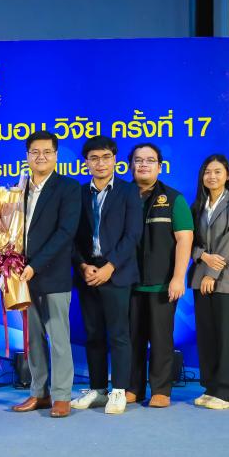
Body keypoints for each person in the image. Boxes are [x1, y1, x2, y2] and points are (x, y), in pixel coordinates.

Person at [10, 131, 82, 418]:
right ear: (27, 156)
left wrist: (35, 265)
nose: (41, 157)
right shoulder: (19, 189)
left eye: (47, 152)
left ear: (56, 155)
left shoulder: (68, 188)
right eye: (35, 152)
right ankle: (39, 393)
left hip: (52, 274)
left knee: (59, 339)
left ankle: (62, 396)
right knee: (32, 339)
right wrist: (10, 259)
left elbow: (65, 232)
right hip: (22, 276)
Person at [70, 135, 142, 414]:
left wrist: (109, 267)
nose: (100, 163)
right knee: (93, 334)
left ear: (115, 160)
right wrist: (82, 266)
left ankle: (119, 391)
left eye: (106, 157)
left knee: (119, 334)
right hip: (88, 273)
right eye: (94, 158)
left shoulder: (128, 191)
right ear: (86, 163)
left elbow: (132, 235)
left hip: (117, 272)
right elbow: (70, 236)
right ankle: (98, 390)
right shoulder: (77, 193)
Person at [127, 142, 193, 408]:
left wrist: (178, 277)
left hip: (162, 284)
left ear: (160, 166)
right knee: (132, 339)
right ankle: (133, 388)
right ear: (131, 165)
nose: (144, 164)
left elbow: (185, 240)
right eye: (138, 160)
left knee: (161, 338)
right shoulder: (122, 196)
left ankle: (161, 390)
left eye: (150, 160)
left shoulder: (174, 199)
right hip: (128, 283)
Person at [188, 155, 229, 410]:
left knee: (226, 336)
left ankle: (227, 392)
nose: (212, 176)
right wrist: (202, 256)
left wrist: (212, 274)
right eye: (207, 172)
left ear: (228, 175)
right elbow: (189, 241)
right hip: (200, 277)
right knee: (207, 335)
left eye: (217, 172)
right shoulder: (197, 206)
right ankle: (211, 387)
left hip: (227, 278)